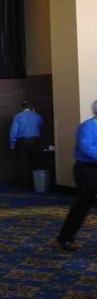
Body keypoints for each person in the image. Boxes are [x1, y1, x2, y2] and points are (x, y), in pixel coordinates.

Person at [56, 100, 97, 252]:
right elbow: (86, 148)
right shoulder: (88, 126)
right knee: (83, 204)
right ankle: (65, 238)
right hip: (88, 171)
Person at [10, 100, 44, 189]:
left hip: (23, 142)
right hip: (35, 141)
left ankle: (25, 184)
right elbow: (41, 126)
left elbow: (14, 131)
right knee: (36, 161)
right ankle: (36, 184)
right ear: (31, 107)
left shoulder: (18, 116)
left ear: (21, 107)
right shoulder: (37, 116)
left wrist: (13, 143)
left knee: (24, 163)